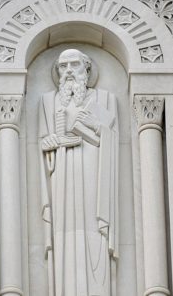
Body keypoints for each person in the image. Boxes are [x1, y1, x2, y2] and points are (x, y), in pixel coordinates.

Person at [38, 49, 119, 296]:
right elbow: (43, 142)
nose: (69, 71)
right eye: (63, 66)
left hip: (95, 171)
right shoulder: (48, 101)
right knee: (64, 231)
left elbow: (112, 138)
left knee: (95, 229)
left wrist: (96, 125)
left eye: (75, 64)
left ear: (87, 69)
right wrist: (52, 143)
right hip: (61, 172)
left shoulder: (104, 99)